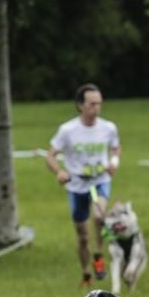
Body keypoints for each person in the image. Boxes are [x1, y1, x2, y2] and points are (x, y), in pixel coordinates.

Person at [46, 83, 121, 286]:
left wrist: (114, 163)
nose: (96, 108)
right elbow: (50, 156)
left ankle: (99, 256)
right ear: (80, 106)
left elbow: (116, 148)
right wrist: (60, 172)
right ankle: (86, 273)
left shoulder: (108, 127)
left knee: (98, 215)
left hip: (99, 181)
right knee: (82, 236)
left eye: (99, 104)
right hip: (77, 184)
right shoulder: (68, 130)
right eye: (92, 104)